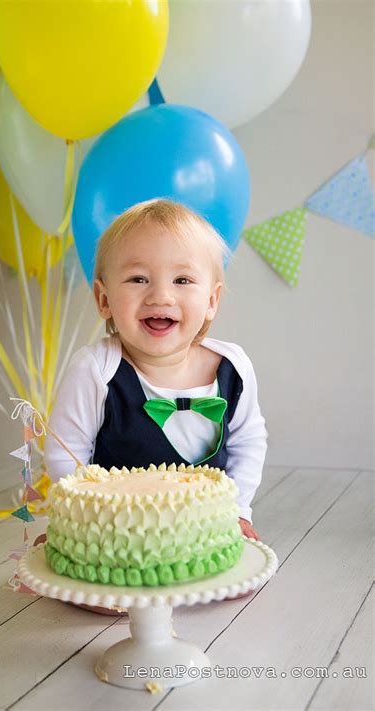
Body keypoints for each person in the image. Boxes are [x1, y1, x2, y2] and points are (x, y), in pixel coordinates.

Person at [45, 198, 267, 547]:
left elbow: (248, 443)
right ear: (104, 300)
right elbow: (65, 453)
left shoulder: (232, 369)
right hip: (115, 529)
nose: (160, 295)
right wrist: (84, 519)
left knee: (239, 581)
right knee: (93, 588)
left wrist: (237, 510)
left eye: (182, 279)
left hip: (205, 528)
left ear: (212, 300)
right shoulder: (96, 371)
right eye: (138, 278)